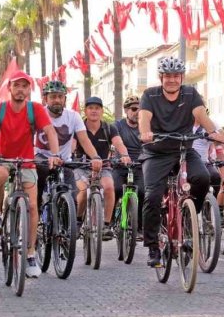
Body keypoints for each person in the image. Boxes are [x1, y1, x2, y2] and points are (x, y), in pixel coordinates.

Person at [138, 56, 224, 268]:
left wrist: (213, 132)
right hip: (156, 152)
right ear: (161, 77)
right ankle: (153, 245)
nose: (172, 80)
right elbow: (143, 118)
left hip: (183, 148)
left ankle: (191, 217)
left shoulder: (191, 94)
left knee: (203, 178)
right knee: (153, 196)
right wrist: (145, 132)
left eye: (176, 76)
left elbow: (201, 115)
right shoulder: (150, 95)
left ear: (181, 77)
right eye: (168, 76)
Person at [0, 71, 61, 279]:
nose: (21, 89)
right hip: (0, 158)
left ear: (28, 90)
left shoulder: (35, 109)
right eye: (17, 86)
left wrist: (55, 154)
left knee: (32, 206)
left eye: (25, 86)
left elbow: (50, 131)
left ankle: (30, 255)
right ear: (10, 88)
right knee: (2, 174)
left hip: (26, 162)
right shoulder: (0, 109)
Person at [34, 80, 103, 208]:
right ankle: (36, 210)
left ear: (65, 99)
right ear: (45, 99)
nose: (57, 100)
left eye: (60, 96)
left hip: (64, 161)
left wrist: (95, 157)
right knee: (35, 193)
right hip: (41, 159)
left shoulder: (73, 116)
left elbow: (84, 140)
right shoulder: (38, 114)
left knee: (72, 200)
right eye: (53, 96)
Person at [73, 96, 131, 240]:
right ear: (85, 111)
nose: (94, 111)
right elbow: (72, 146)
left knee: (110, 187)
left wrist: (124, 155)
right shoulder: (79, 128)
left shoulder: (109, 128)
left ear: (102, 111)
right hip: (81, 167)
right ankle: (78, 221)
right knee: (82, 192)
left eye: (97, 108)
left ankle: (106, 225)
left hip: (103, 167)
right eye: (91, 108)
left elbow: (119, 143)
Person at [114, 95, 146, 239]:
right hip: (120, 165)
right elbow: (116, 142)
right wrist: (122, 157)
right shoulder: (118, 126)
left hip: (139, 166)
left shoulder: (145, 126)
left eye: (140, 109)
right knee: (116, 189)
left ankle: (139, 227)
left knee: (143, 192)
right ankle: (111, 220)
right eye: (133, 109)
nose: (136, 112)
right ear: (126, 110)